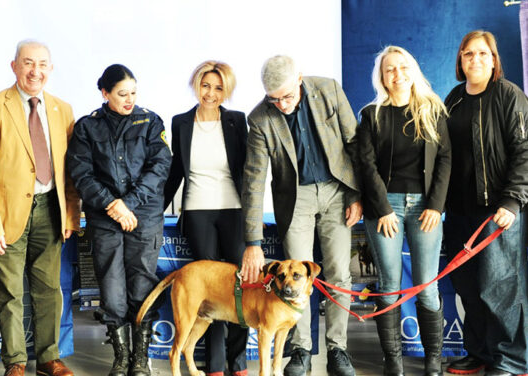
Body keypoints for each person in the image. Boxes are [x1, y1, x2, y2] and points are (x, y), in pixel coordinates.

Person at [240, 55, 361, 376]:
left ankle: (338, 350)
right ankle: (301, 349)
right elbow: (253, 181)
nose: (281, 104)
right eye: (274, 99)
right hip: (296, 199)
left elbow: (355, 143)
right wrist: (252, 240)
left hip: (337, 190)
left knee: (338, 273)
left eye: (287, 96)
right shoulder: (261, 119)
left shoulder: (329, 90)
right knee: (295, 277)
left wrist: (356, 195)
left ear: (300, 80)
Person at [0, 40, 80, 376]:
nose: (36, 71)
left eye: (43, 64)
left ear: (50, 68)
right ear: (14, 66)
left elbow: (71, 172)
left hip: (51, 211)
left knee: (49, 290)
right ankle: (15, 361)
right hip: (6, 216)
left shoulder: (63, 109)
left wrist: (71, 214)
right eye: (28, 63)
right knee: (10, 294)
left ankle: (48, 358)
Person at [66, 64, 171, 376]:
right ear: (105, 93)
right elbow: (81, 173)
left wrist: (129, 203)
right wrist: (112, 204)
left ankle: (140, 359)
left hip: (144, 217)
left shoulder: (151, 121)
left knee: (142, 285)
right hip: (105, 219)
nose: (129, 99)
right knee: (111, 288)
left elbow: (160, 166)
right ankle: (121, 358)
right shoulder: (88, 127)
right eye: (122, 93)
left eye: (134, 93)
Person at [358, 46, 451, 376]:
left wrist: (436, 206)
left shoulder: (433, 109)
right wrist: (382, 208)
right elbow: (366, 165)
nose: (397, 74)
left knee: (427, 286)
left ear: (413, 70)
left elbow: (444, 160)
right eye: (389, 70)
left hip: (425, 208)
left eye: (402, 67)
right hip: (386, 210)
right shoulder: (372, 115)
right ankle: (393, 362)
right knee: (390, 284)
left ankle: (433, 362)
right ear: (381, 77)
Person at [443, 30, 528, 376]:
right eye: (468, 54)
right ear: (460, 62)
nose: (475, 60)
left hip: (499, 211)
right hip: (460, 212)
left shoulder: (510, 96)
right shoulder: (453, 100)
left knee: (501, 288)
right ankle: (479, 352)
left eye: (482, 54)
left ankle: (510, 359)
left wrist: (512, 201)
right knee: (468, 287)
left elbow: (525, 152)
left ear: (494, 60)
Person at [163, 60, 249, 376]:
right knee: (211, 293)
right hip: (198, 212)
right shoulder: (181, 122)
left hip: (234, 211)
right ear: (196, 85)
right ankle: (214, 367)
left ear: (226, 90)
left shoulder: (237, 121)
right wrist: (155, 210)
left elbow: (248, 171)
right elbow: (175, 171)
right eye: (205, 85)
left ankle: (237, 365)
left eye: (217, 87)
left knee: (242, 287)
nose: (210, 93)